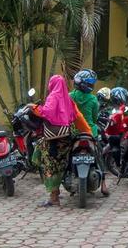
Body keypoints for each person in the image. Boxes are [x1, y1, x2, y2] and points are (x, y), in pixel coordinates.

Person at [33, 74, 92, 207]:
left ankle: (54, 197)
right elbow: (78, 116)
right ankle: (58, 191)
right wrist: (88, 132)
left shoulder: (53, 96)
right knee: (63, 163)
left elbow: (46, 112)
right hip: (67, 137)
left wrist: (34, 108)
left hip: (53, 139)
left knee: (48, 163)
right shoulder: (68, 99)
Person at [70, 69, 110, 196]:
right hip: (90, 132)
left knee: (66, 155)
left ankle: (59, 186)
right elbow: (94, 118)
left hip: (73, 132)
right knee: (98, 155)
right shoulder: (93, 100)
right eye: (90, 82)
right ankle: (103, 184)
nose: (92, 85)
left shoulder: (70, 96)